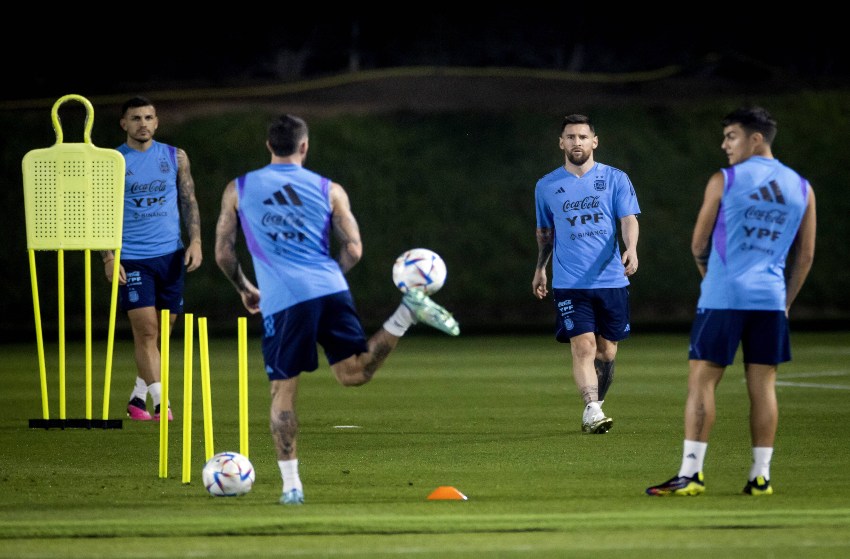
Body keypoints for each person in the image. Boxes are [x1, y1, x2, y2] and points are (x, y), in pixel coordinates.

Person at [214, 114, 460, 505]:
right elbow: (354, 248)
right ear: (304, 146)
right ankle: (406, 313)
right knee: (354, 373)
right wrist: (330, 276)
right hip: (330, 288)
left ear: (268, 146)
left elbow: (224, 253)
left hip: (284, 298)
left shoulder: (239, 188)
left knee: (283, 390)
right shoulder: (330, 189)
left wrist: (246, 288)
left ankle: (291, 486)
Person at [646, 106, 816, 497]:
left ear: (756, 139)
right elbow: (804, 257)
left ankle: (691, 475)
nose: (724, 145)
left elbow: (698, 244)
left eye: (731, 136)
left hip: (724, 297)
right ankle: (761, 477)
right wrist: (785, 301)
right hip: (770, 302)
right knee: (763, 387)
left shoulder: (725, 179)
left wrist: (713, 282)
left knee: (702, 381)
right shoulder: (803, 187)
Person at [532, 114, 641, 434]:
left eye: (582, 137)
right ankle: (592, 408)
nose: (576, 142)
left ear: (594, 141)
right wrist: (541, 267)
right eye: (570, 137)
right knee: (582, 347)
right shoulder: (546, 185)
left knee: (607, 350)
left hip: (611, 281)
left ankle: (595, 405)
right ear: (561, 143)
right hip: (570, 283)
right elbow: (545, 233)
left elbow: (628, 219)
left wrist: (631, 248)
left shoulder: (616, 179)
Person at [101, 96, 203, 421]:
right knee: (145, 332)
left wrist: (196, 240)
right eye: (135, 118)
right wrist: (108, 257)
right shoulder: (114, 161)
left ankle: (137, 396)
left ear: (156, 122)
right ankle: (161, 404)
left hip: (171, 257)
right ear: (124, 124)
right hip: (133, 259)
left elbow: (188, 200)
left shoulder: (175, 156)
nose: (142, 123)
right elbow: (102, 214)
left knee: (161, 334)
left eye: (148, 117)